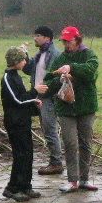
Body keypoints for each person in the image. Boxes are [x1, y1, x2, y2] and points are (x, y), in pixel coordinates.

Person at [36, 26, 99, 193]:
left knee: (85, 143)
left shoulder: (88, 54)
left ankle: (84, 179)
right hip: (65, 108)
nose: (65, 44)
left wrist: (71, 68)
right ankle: (73, 181)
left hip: (86, 107)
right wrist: (47, 86)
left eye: (68, 41)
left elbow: (91, 71)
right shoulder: (61, 57)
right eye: (63, 41)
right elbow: (51, 77)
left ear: (77, 39)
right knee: (70, 143)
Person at [1, 47, 42, 202]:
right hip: (14, 123)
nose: (26, 61)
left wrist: (33, 102)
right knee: (20, 155)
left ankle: (25, 186)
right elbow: (17, 100)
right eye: (23, 59)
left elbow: (22, 98)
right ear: (16, 61)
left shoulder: (16, 77)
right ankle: (13, 188)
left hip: (23, 122)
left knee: (28, 154)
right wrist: (34, 92)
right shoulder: (7, 78)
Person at [22, 25, 63, 175]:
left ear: (47, 38)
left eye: (38, 35)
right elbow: (28, 70)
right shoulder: (40, 54)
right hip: (39, 96)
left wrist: (47, 92)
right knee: (47, 130)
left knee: (50, 130)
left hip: (48, 97)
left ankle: (56, 163)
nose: (35, 38)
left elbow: (56, 78)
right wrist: (25, 55)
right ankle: (55, 161)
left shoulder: (55, 54)